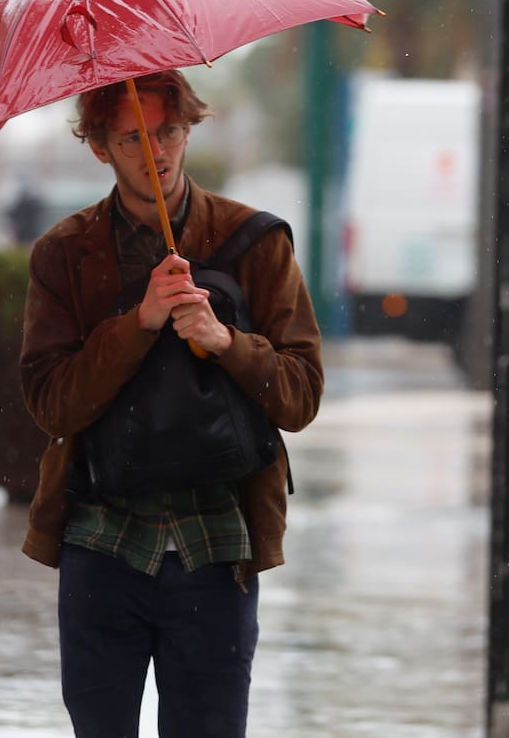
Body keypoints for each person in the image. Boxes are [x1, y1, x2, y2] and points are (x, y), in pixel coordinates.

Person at [19, 69, 324, 737]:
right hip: (100, 538)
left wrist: (224, 341)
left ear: (189, 128)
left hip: (217, 540)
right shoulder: (66, 255)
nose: (155, 153)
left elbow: (301, 396)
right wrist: (139, 323)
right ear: (99, 146)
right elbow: (50, 404)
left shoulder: (256, 242)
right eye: (132, 138)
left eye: (168, 132)